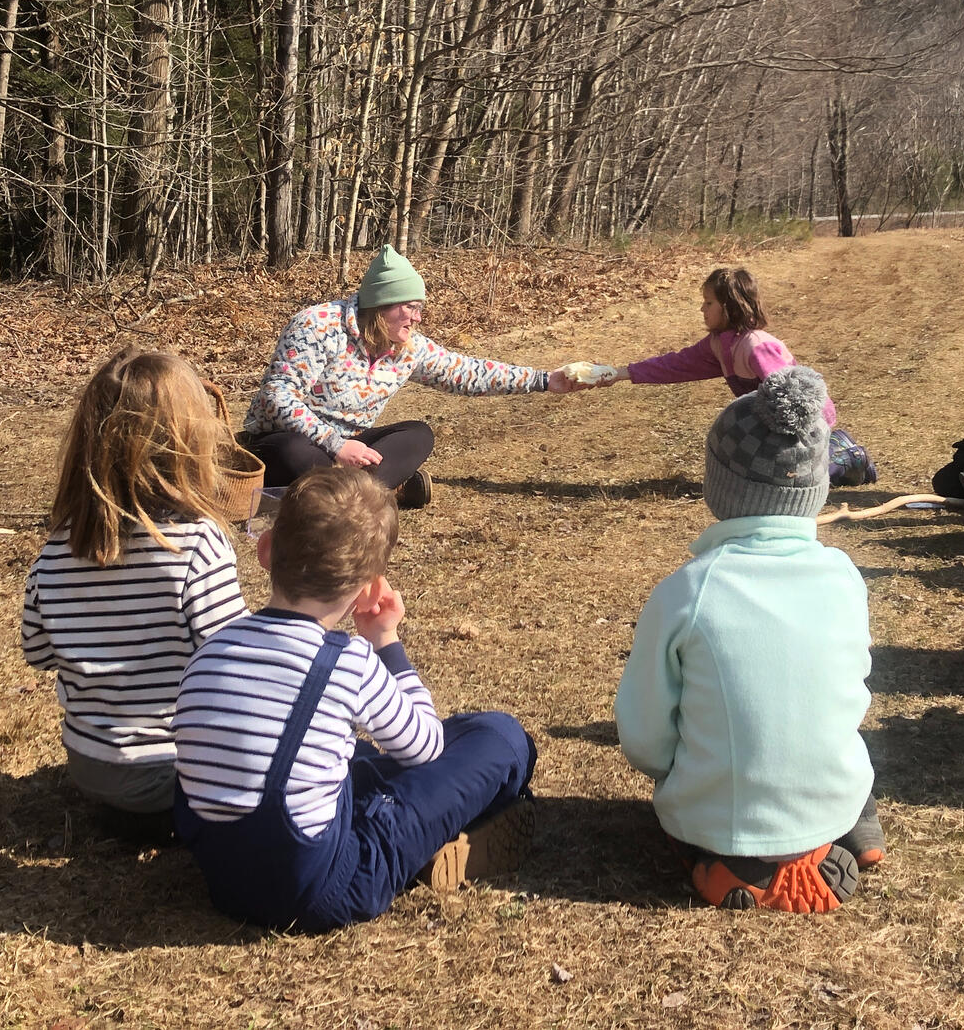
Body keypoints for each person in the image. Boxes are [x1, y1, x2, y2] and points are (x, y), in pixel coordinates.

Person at [172, 467, 537, 931]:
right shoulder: (346, 660)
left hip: (224, 879)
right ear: (368, 587)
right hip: (327, 888)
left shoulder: (210, 651)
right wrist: (387, 641)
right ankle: (444, 835)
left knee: (355, 755)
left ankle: (433, 833)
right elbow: (425, 748)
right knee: (499, 737)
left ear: (265, 552)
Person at [614, 367, 884, 913]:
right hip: (831, 789)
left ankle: (729, 864)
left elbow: (642, 736)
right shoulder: (844, 575)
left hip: (722, 813)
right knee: (829, 753)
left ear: (720, 487)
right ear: (817, 489)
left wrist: (680, 769)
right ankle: (831, 831)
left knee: (707, 802)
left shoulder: (686, 592)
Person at [22, 347, 248, 837]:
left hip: (91, 768)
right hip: (177, 780)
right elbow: (234, 664)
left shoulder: (55, 550)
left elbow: (38, 653)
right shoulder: (197, 545)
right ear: (190, 443)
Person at [242, 244, 588, 509]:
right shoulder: (317, 325)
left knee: (418, 435)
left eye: (419, 308)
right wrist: (334, 444)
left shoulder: (409, 348)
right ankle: (376, 492)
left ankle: (340, 499)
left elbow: (468, 373)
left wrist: (545, 380)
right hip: (290, 440)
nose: (417, 318)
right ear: (382, 305)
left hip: (352, 446)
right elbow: (278, 395)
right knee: (296, 453)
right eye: (410, 307)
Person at [599, 266, 876, 486]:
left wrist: (812, 440)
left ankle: (846, 455)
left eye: (708, 303)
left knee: (790, 482)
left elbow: (797, 402)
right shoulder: (719, 345)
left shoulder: (758, 346)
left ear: (729, 308)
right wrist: (622, 373)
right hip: (772, 427)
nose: (702, 309)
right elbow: (675, 365)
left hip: (805, 426)